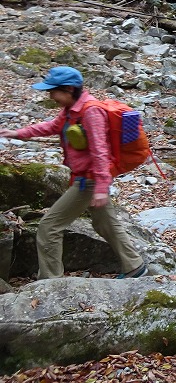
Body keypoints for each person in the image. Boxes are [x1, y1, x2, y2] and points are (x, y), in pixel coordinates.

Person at [0, 66, 147, 280]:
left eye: (53, 91)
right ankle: (135, 266)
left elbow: (100, 152)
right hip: (85, 178)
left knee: (49, 227)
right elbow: (52, 126)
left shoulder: (91, 112)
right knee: (105, 224)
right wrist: (18, 133)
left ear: (69, 89)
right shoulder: (72, 110)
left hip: (89, 180)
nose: (50, 96)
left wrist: (101, 188)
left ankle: (51, 281)